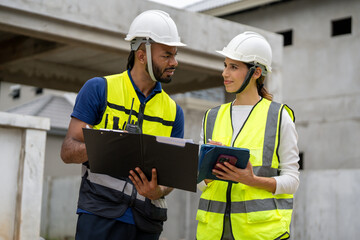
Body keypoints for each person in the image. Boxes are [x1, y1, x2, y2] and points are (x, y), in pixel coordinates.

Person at [60, 10, 186, 240]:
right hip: (99, 217)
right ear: (141, 56)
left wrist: (158, 190)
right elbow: (67, 151)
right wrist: (104, 144)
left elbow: (173, 178)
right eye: (166, 55)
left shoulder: (174, 112)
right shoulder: (99, 89)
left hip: (147, 223)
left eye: (175, 55)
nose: (174, 62)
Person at [196, 31, 300, 240]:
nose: (225, 73)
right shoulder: (212, 117)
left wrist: (252, 180)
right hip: (213, 233)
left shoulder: (278, 117)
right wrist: (208, 170)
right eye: (225, 65)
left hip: (260, 233)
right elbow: (199, 182)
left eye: (234, 67)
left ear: (256, 72)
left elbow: (292, 180)